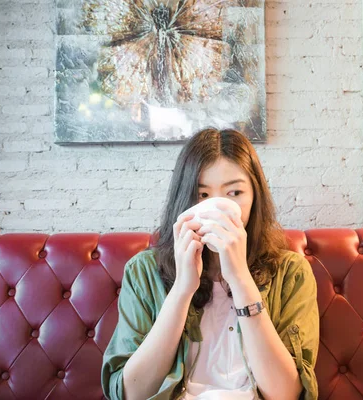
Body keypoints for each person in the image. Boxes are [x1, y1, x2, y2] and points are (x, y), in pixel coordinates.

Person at [102, 129, 319, 400]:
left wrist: (241, 280)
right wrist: (182, 289)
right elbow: (131, 393)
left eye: (234, 192)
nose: (217, 207)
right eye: (203, 195)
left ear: (255, 197)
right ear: (184, 199)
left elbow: (285, 394)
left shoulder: (291, 272)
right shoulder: (144, 271)